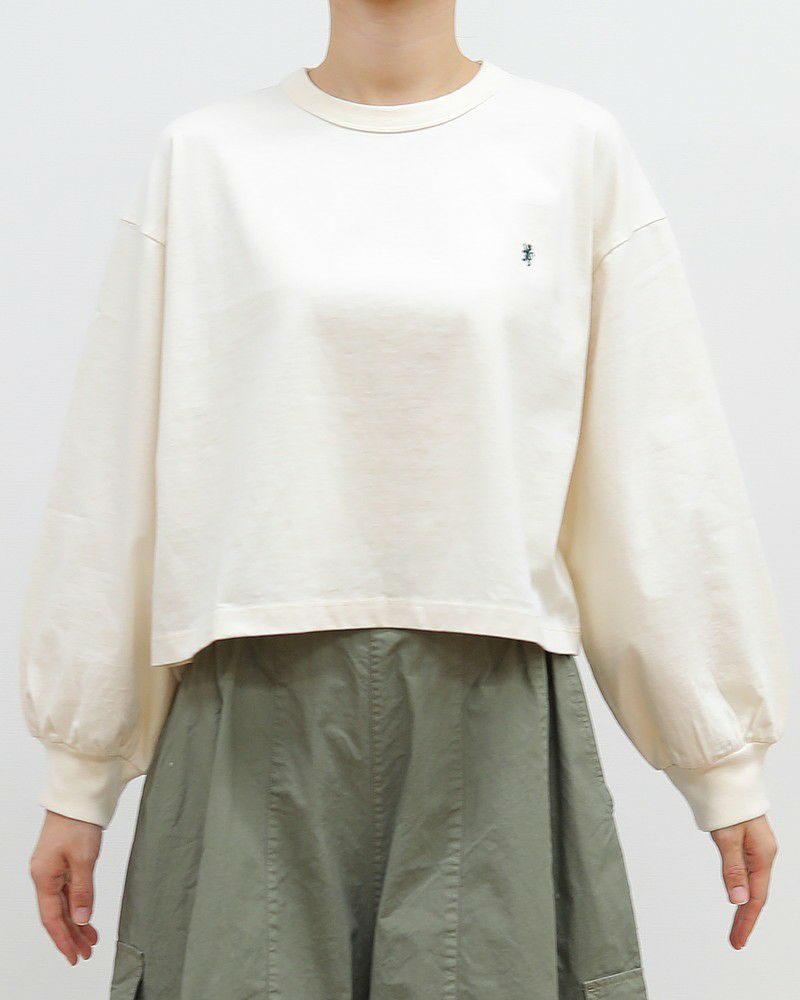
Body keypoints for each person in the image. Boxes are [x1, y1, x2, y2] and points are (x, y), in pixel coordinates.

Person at [22, 2, 789, 997]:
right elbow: (115, 469)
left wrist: (720, 766)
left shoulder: (570, 150)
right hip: (253, 707)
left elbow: (653, 462)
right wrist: (79, 777)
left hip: (491, 705)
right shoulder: (205, 160)